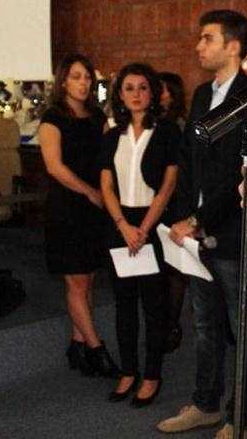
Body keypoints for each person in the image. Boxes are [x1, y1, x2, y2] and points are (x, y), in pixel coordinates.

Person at [157, 10, 247, 439]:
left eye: (207, 38)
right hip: (196, 235)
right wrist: (185, 217)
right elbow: (188, 161)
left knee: (244, 332)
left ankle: (240, 420)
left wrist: (200, 219)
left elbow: (246, 173)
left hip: (236, 234)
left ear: (233, 46)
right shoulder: (203, 94)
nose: (199, 46)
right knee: (204, 326)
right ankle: (205, 404)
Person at [99, 62, 180, 407]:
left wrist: (143, 229)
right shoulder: (110, 135)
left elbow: (168, 186)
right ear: (120, 94)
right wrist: (123, 226)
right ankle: (128, 371)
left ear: (153, 93)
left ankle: (152, 374)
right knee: (124, 304)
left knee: (154, 306)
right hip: (120, 225)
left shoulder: (167, 132)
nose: (136, 94)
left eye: (142, 87)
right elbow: (105, 186)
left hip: (152, 225)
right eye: (129, 88)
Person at [38, 54, 119, 378]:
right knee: (76, 281)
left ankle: (77, 344)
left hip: (95, 208)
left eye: (87, 77)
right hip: (67, 207)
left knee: (89, 280)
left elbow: (108, 159)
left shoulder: (98, 116)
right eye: (76, 77)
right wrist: (89, 192)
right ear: (63, 82)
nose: (84, 83)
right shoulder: (52, 118)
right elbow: (54, 167)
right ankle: (97, 349)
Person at [158, 71, 189, 352]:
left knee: (175, 268)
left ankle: (171, 324)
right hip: (154, 201)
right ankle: (161, 322)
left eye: (163, 89)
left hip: (177, 201)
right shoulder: (150, 121)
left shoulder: (181, 124)